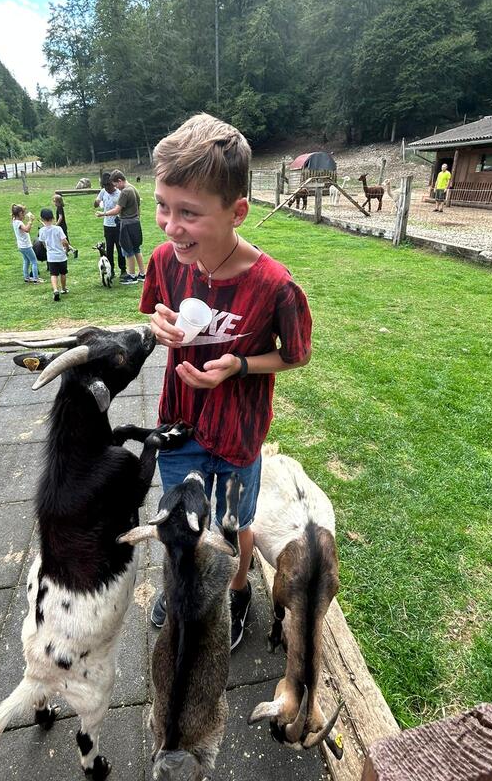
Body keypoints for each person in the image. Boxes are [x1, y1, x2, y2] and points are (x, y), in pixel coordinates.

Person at [140, 113, 312, 650]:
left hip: (239, 435)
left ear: (237, 211)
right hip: (179, 427)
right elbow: (155, 312)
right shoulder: (166, 261)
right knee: (177, 520)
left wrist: (239, 366)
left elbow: (296, 356)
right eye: (163, 206)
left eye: (188, 213)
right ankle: (183, 583)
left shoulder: (276, 285)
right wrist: (159, 325)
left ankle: (237, 593)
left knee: (235, 522)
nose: (170, 226)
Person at [97, 170, 145, 285]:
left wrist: (103, 214)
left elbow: (117, 210)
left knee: (128, 250)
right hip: (135, 222)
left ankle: (132, 276)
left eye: (115, 185)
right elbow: (138, 206)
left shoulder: (125, 192)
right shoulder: (133, 188)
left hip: (127, 224)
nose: (116, 188)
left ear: (119, 181)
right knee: (136, 249)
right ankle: (142, 274)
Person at [94, 172, 125, 278]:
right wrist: (97, 202)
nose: (107, 189)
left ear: (112, 184)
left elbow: (119, 209)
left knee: (120, 248)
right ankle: (110, 270)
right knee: (109, 249)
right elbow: (96, 203)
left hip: (117, 224)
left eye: (109, 186)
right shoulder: (103, 192)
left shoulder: (119, 193)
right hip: (107, 225)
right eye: (105, 187)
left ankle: (123, 269)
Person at [39, 208, 69, 301]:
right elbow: (65, 241)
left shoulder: (42, 230)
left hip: (51, 257)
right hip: (61, 256)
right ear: (53, 218)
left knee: (53, 274)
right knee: (63, 273)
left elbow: (43, 242)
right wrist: (67, 248)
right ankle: (63, 288)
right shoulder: (58, 229)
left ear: (42, 219)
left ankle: (55, 290)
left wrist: (47, 248)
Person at [11, 204, 43, 284]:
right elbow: (26, 230)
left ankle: (27, 278)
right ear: (19, 213)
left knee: (26, 261)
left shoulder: (14, 221)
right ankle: (36, 279)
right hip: (26, 246)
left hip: (21, 246)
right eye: (23, 214)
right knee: (34, 261)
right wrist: (30, 221)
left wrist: (29, 223)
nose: (24, 215)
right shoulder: (19, 223)